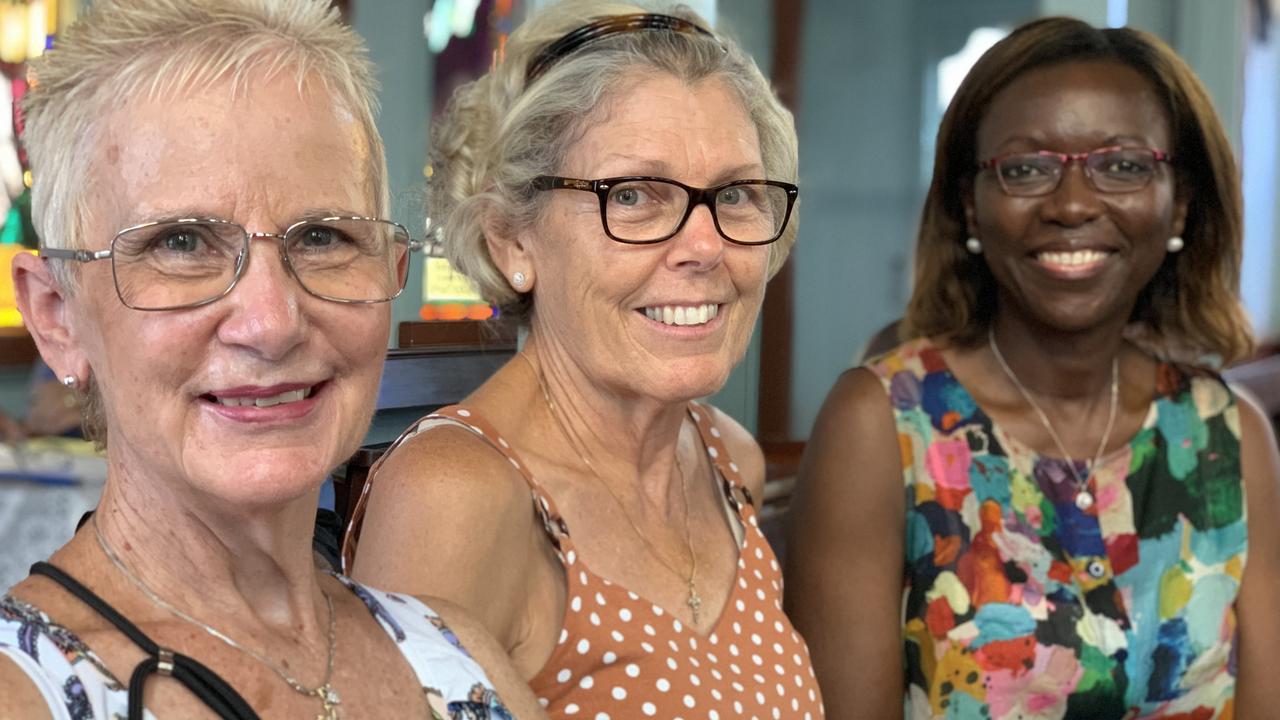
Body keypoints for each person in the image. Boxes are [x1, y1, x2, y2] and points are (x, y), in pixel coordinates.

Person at [0, 1, 545, 718]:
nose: (272, 322)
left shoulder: (458, 660)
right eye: (182, 243)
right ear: (57, 316)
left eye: (323, 237)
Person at [787, 17, 1280, 720]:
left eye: (1123, 165)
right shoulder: (883, 424)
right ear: (970, 203)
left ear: (1183, 199)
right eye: (1025, 169)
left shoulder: (1230, 435)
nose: (1073, 204)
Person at [342, 1, 824, 717]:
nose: (704, 246)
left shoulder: (728, 460)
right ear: (513, 241)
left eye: (736, 194)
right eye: (632, 196)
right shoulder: (454, 496)